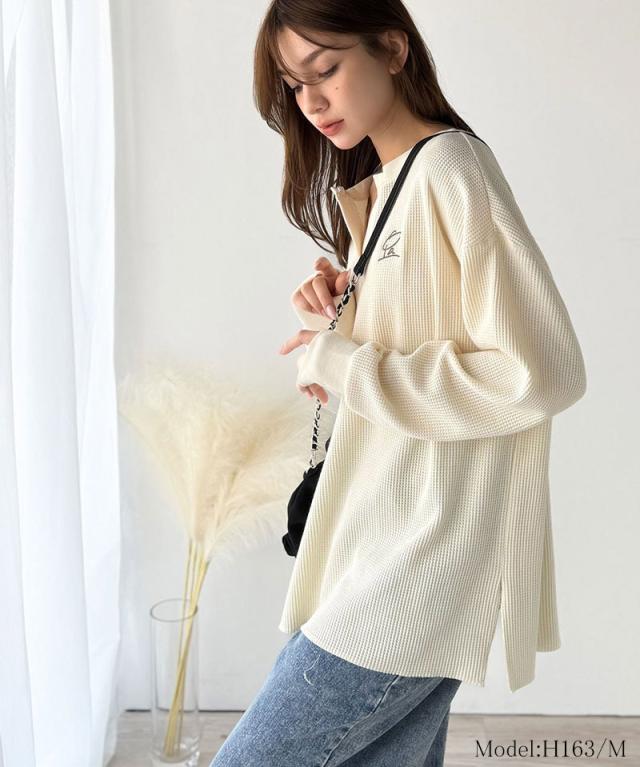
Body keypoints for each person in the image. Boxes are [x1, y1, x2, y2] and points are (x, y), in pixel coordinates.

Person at [210, 1, 587, 765]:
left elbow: (540, 371)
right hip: (386, 545)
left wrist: (342, 361)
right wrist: (342, 316)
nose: (311, 101)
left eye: (325, 70)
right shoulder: (393, 185)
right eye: (294, 85)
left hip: (418, 558)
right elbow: (421, 350)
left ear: (392, 48)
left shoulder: (450, 168)